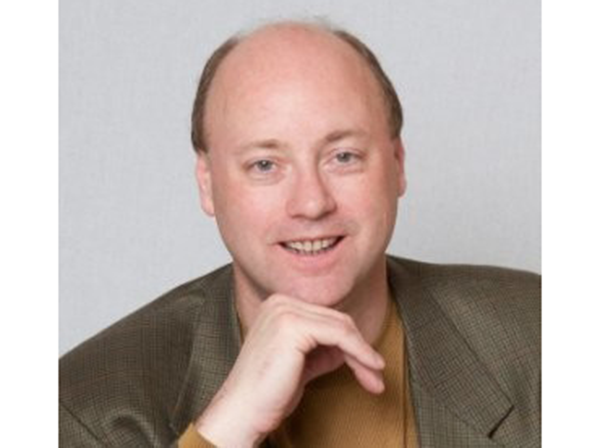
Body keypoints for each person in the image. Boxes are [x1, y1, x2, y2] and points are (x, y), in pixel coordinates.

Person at [60, 20, 541, 447]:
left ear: (397, 164)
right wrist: (222, 434)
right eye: (265, 165)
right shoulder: (86, 409)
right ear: (207, 184)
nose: (312, 203)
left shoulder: (541, 336)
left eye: (343, 156)